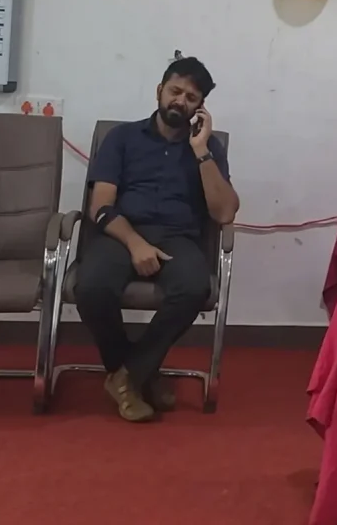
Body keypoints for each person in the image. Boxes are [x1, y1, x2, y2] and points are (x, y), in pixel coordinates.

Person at [75, 56, 240, 422]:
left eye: (191, 97)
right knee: (90, 288)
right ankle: (140, 373)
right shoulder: (122, 138)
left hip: (178, 238)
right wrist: (136, 244)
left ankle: (127, 376)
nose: (180, 101)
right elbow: (100, 206)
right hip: (121, 232)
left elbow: (225, 213)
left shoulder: (208, 148)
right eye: (175, 91)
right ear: (159, 91)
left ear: (200, 107)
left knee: (195, 287)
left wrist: (201, 151)